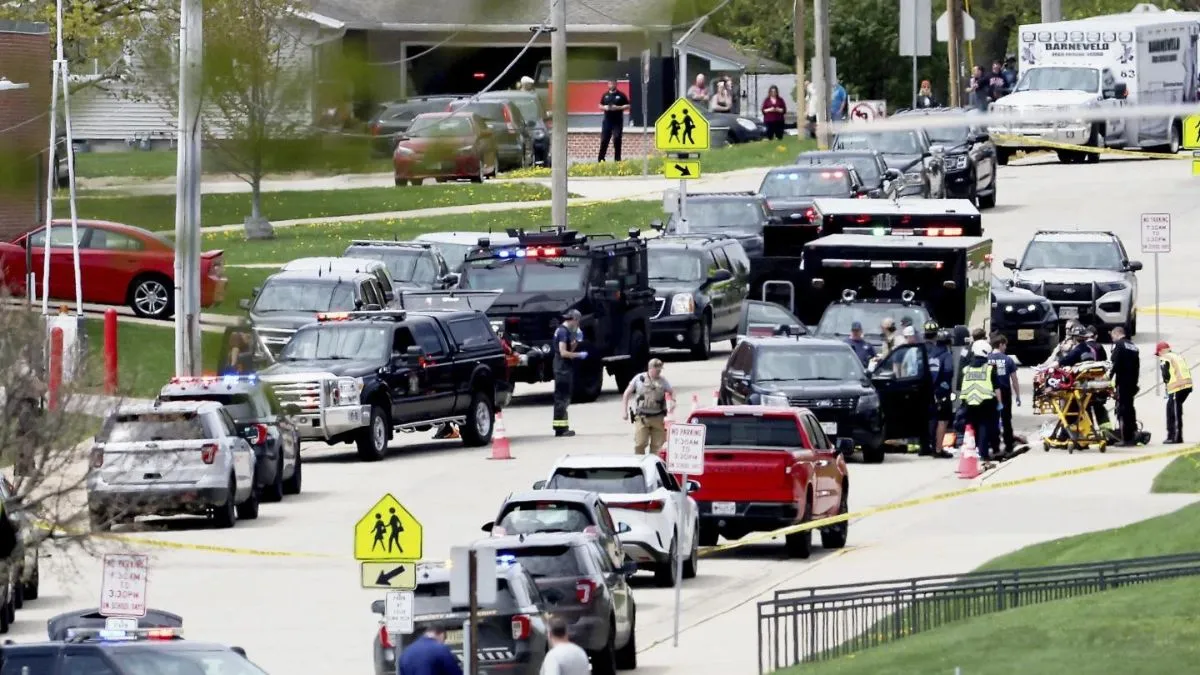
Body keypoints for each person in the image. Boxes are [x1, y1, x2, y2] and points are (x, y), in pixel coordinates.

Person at [960, 339, 1003, 462]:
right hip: (986, 403)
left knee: (973, 427)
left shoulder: (967, 369)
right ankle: (983, 453)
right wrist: (1000, 403)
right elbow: (997, 389)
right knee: (985, 426)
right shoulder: (989, 369)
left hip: (969, 403)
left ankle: (975, 450)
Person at [621, 358, 675, 455]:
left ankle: (654, 466)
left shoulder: (663, 381)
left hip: (658, 418)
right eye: (657, 369)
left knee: (657, 446)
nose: (659, 372)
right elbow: (626, 394)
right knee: (640, 443)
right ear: (650, 368)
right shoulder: (638, 379)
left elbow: (672, 392)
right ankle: (639, 463)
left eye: (660, 370)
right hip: (642, 418)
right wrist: (624, 412)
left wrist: (673, 402)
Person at [552, 309, 587, 437]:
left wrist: (576, 341)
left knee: (565, 397)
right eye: (578, 322)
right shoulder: (562, 331)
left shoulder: (566, 331)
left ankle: (563, 427)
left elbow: (569, 348)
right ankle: (560, 429)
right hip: (562, 368)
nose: (578, 325)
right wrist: (579, 355)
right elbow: (563, 352)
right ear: (574, 320)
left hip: (564, 367)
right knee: (562, 398)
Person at [924, 323, 954, 458]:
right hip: (942, 391)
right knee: (943, 420)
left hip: (930, 391)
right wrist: (945, 388)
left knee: (932, 419)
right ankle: (938, 449)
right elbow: (948, 372)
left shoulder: (931, 354)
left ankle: (929, 446)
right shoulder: (946, 355)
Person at [988, 334, 1021, 455]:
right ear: (1001, 344)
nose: (1005, 347)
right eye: (1005, 345)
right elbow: (1014, 379)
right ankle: (1008, 444)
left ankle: (994, 445)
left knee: (993, 419)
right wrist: (1017, 395)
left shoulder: (987, 358)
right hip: (1005, 392)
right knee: (1006, 419)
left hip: (990, 393)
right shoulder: (1008, 360)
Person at [1109, 326, 1140, 446]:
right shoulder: (1134, 346)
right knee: (1130, 408)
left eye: (1112, 336)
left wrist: (1108, 379)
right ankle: (1133, 432)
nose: (1113, 339)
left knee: (1122, 409)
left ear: (1116, 334)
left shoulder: (1119, 345)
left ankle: (1126, 438)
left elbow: (1114, 364)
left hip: (1122, 382)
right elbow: (1137, 366)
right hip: (1132, 382)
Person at [1157, 341, 1192, 444]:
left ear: (1161, 351)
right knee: (1171, 408)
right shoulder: (1177, 356)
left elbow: (1165, 373)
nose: (1158, 355)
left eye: (1158, 353)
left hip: (1178, 387)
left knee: (1175, 411)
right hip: (1186, 386)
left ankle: (1176, 437)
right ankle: (1171, 435)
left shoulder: (1165, 357)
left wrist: (1166, 384)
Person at [398, 623, 463, 675]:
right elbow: (454, 672)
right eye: (444, 639)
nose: (443, 642)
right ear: (441, 635)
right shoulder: (440, 649)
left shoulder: (405, 653)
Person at [597, 79, 629, 163]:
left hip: (617, 122)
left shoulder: (621, 95)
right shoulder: (605, 95)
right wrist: (605, 107)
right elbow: (600, 105)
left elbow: (627, 105)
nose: (611, 85)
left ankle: (617, 160)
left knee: (617, 139)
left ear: (616, 84)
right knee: (604, 140)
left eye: (613, 83)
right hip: (607, 121)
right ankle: (601, 159)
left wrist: (617, 107)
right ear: (608, 84)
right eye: (609, 83)